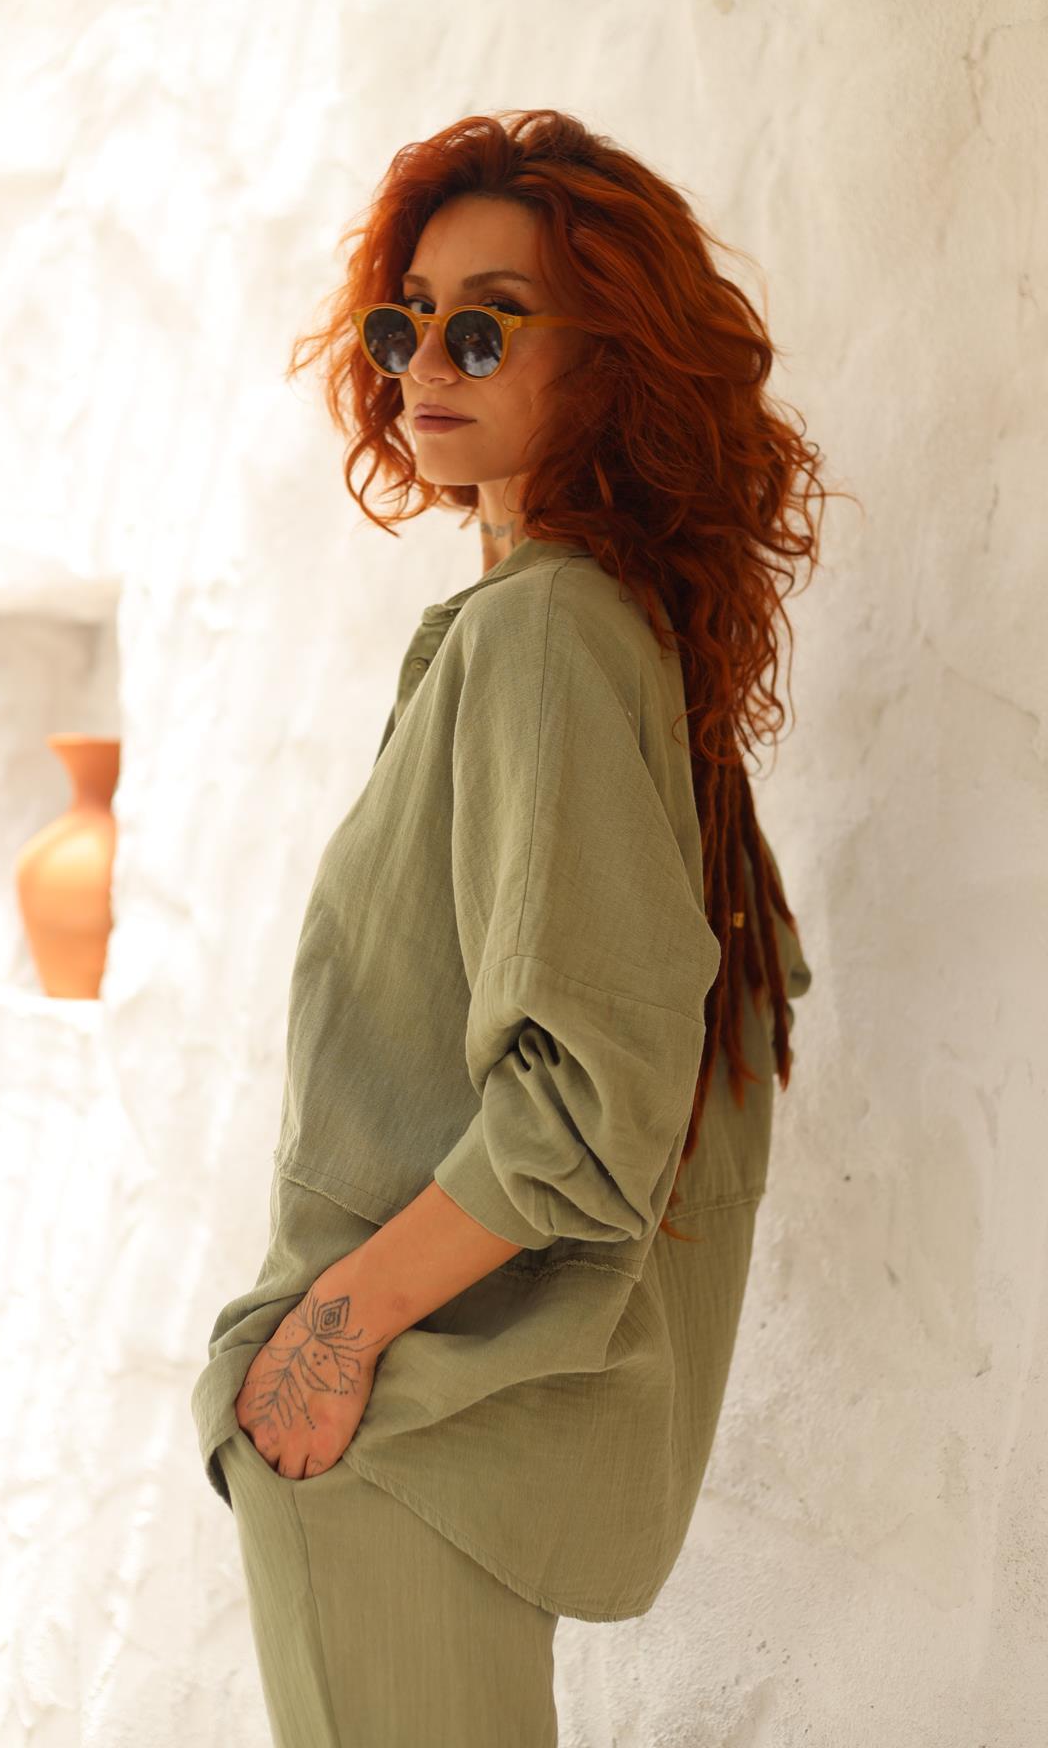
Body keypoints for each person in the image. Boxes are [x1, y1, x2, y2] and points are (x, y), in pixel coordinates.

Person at [193, 107, 832, 1748]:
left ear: (611, 364)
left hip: (399, 1443)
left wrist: (330, 1336)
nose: (426, 360)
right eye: (404, 321)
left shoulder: (548, 633)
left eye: (485, 325)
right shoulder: (586, 631)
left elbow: (587, 1105)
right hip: (423, 1443)